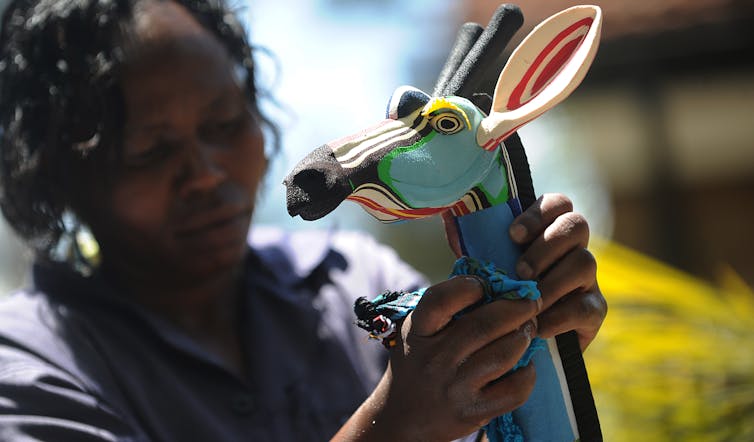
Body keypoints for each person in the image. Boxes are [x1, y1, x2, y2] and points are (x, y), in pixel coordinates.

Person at [0, 0, 607, 440]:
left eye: (224, 124)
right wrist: (392, 428)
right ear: (57, 179)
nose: (207, 173)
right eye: (149, 150)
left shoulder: (351, 281)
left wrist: (539, 344)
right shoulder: (30, 368)